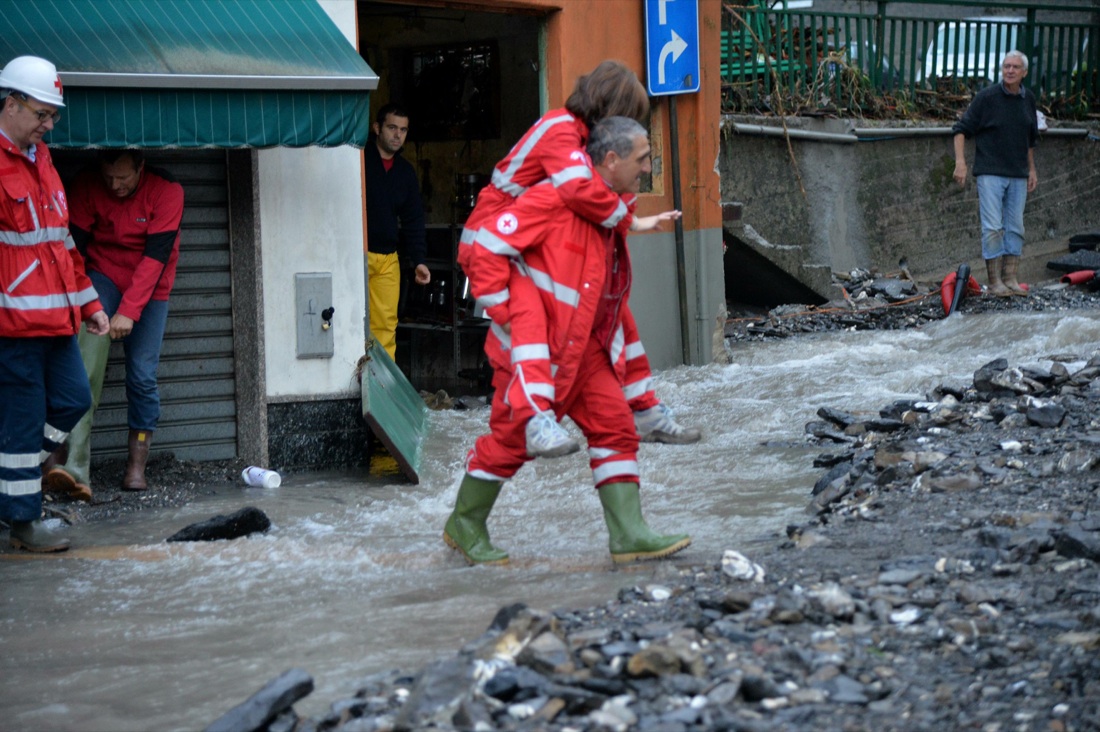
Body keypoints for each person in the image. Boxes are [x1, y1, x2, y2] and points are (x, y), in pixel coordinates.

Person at [444, 116, 690, 566]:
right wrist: (510, 319)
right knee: (511, 442)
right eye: (643, 159)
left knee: (615, 425)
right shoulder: (554, 199)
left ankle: (629, 535)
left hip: (584, 354)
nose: (647, 169)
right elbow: (484, 250)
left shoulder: (607, 208)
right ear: (611, 160)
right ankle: (464, 524)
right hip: (540, 356)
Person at [457, 59, 700, 459]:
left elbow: (596, 190)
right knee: (528, 320)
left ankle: (645, 411)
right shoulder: (560, 129)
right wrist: (631, 221)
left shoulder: (582, 138)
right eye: (627, 119)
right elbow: (580, 191)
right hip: (496, 240)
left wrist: (629, 217)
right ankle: (536, 419)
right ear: (611, 109)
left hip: (527, 238)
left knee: (617, 313)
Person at [0, 55, 109, 552]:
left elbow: (61, 242)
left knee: (72, 400)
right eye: (42, 114)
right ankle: (23, 523)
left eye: (52, 116)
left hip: (56, 320)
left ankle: (11, 474)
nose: (48, 125)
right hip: (13, 325)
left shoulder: (41, 160)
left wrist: (90, 305)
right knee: (22, 424)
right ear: (11, 103)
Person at [42, 150, 184, 497]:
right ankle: (71, 461)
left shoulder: (167, 190)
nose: (115, 186)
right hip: (101, 277)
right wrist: (86, 303)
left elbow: (156, 259)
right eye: (109, 178)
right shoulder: (88, 186)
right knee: (83, 366)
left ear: (141, 167)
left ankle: (136, 465)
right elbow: (73, 250)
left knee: (141, 374)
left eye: (123, 178)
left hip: (151, 287)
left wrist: (130, 311)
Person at [952, 50, 1038, 297]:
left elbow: (1030, 139)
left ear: (1024, 72)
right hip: (990, 172)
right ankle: (994, 281)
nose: (1009, 71)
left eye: (1014, 67)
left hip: (1018, 173)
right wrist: (961, 162)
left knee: (1016, 227)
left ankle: (1011, 278)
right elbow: (961, 129)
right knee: (992, 227)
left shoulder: (1028, 99)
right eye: (1006, 66)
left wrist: (1031, 169)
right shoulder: (987, 97)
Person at [365, 103, 429, 361]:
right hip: (355, 254)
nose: (397, 135)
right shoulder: (359, 159)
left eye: (403, 130)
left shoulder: (405, 172)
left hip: (387, 259)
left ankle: (382, 389)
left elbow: (414, 220)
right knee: (346, 321)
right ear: (377, 128)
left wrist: (419, 261)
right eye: (392, 127)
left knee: (385, 328)